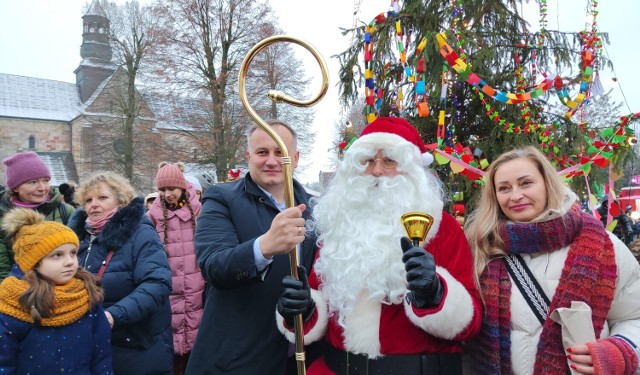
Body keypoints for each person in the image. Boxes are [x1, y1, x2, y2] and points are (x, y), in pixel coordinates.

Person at [276, 117, 483, 374]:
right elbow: (321, 299)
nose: (376, 171)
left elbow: (471, 323)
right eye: (367, 161)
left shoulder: (443, 227)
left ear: (411, 170)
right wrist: (303, 311)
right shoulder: (339, 227)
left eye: (389, 161)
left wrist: (435, 293)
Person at [463, 146, 640, 375]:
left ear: (547, 184)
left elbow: (634, 317)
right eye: (504, 188)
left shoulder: (604, 246)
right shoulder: (481, 249)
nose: (515, 196)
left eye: (526, 183)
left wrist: (621, 351)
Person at [186, 120, 320, 374]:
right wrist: (264, 247)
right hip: (239, 358)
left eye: (280, 152)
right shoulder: (221, 198)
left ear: (296, 158)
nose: (271, 161)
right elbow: (214, 266)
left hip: (301, 356)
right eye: (262, 152)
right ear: (248, 156)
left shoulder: (316, 208)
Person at [68, 171, 173, 375]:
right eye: (88, 200)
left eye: (102, 197)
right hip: (90, 345)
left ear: (121, 200)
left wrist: (113, 315)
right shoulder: (76, 238)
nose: (94, 204)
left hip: (136, 346)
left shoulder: (141, 232)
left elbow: (157, 283)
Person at [0, 208, 112, 374]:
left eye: (73, 253)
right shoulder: (14, 302)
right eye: (57, 255)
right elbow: (5, 362)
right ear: (33, 261)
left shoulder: (86, 295)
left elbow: (102, 356)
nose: (69, 262)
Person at [148, 162, 204, 375]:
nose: (167, 194)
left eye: (171, 188)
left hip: (196, 285)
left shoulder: (199, 211)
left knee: (195, 336)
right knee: (171, 342)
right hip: (169, 286)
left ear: (182, 186)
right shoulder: (153, 215)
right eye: (162, 190)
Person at [0, 151, 76, 280]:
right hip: (19, 290)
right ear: (16, 188)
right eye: (33, 182)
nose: (42, 188)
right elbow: (2, 267)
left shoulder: (66, 211)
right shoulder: (2, 214)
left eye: (46, 181)